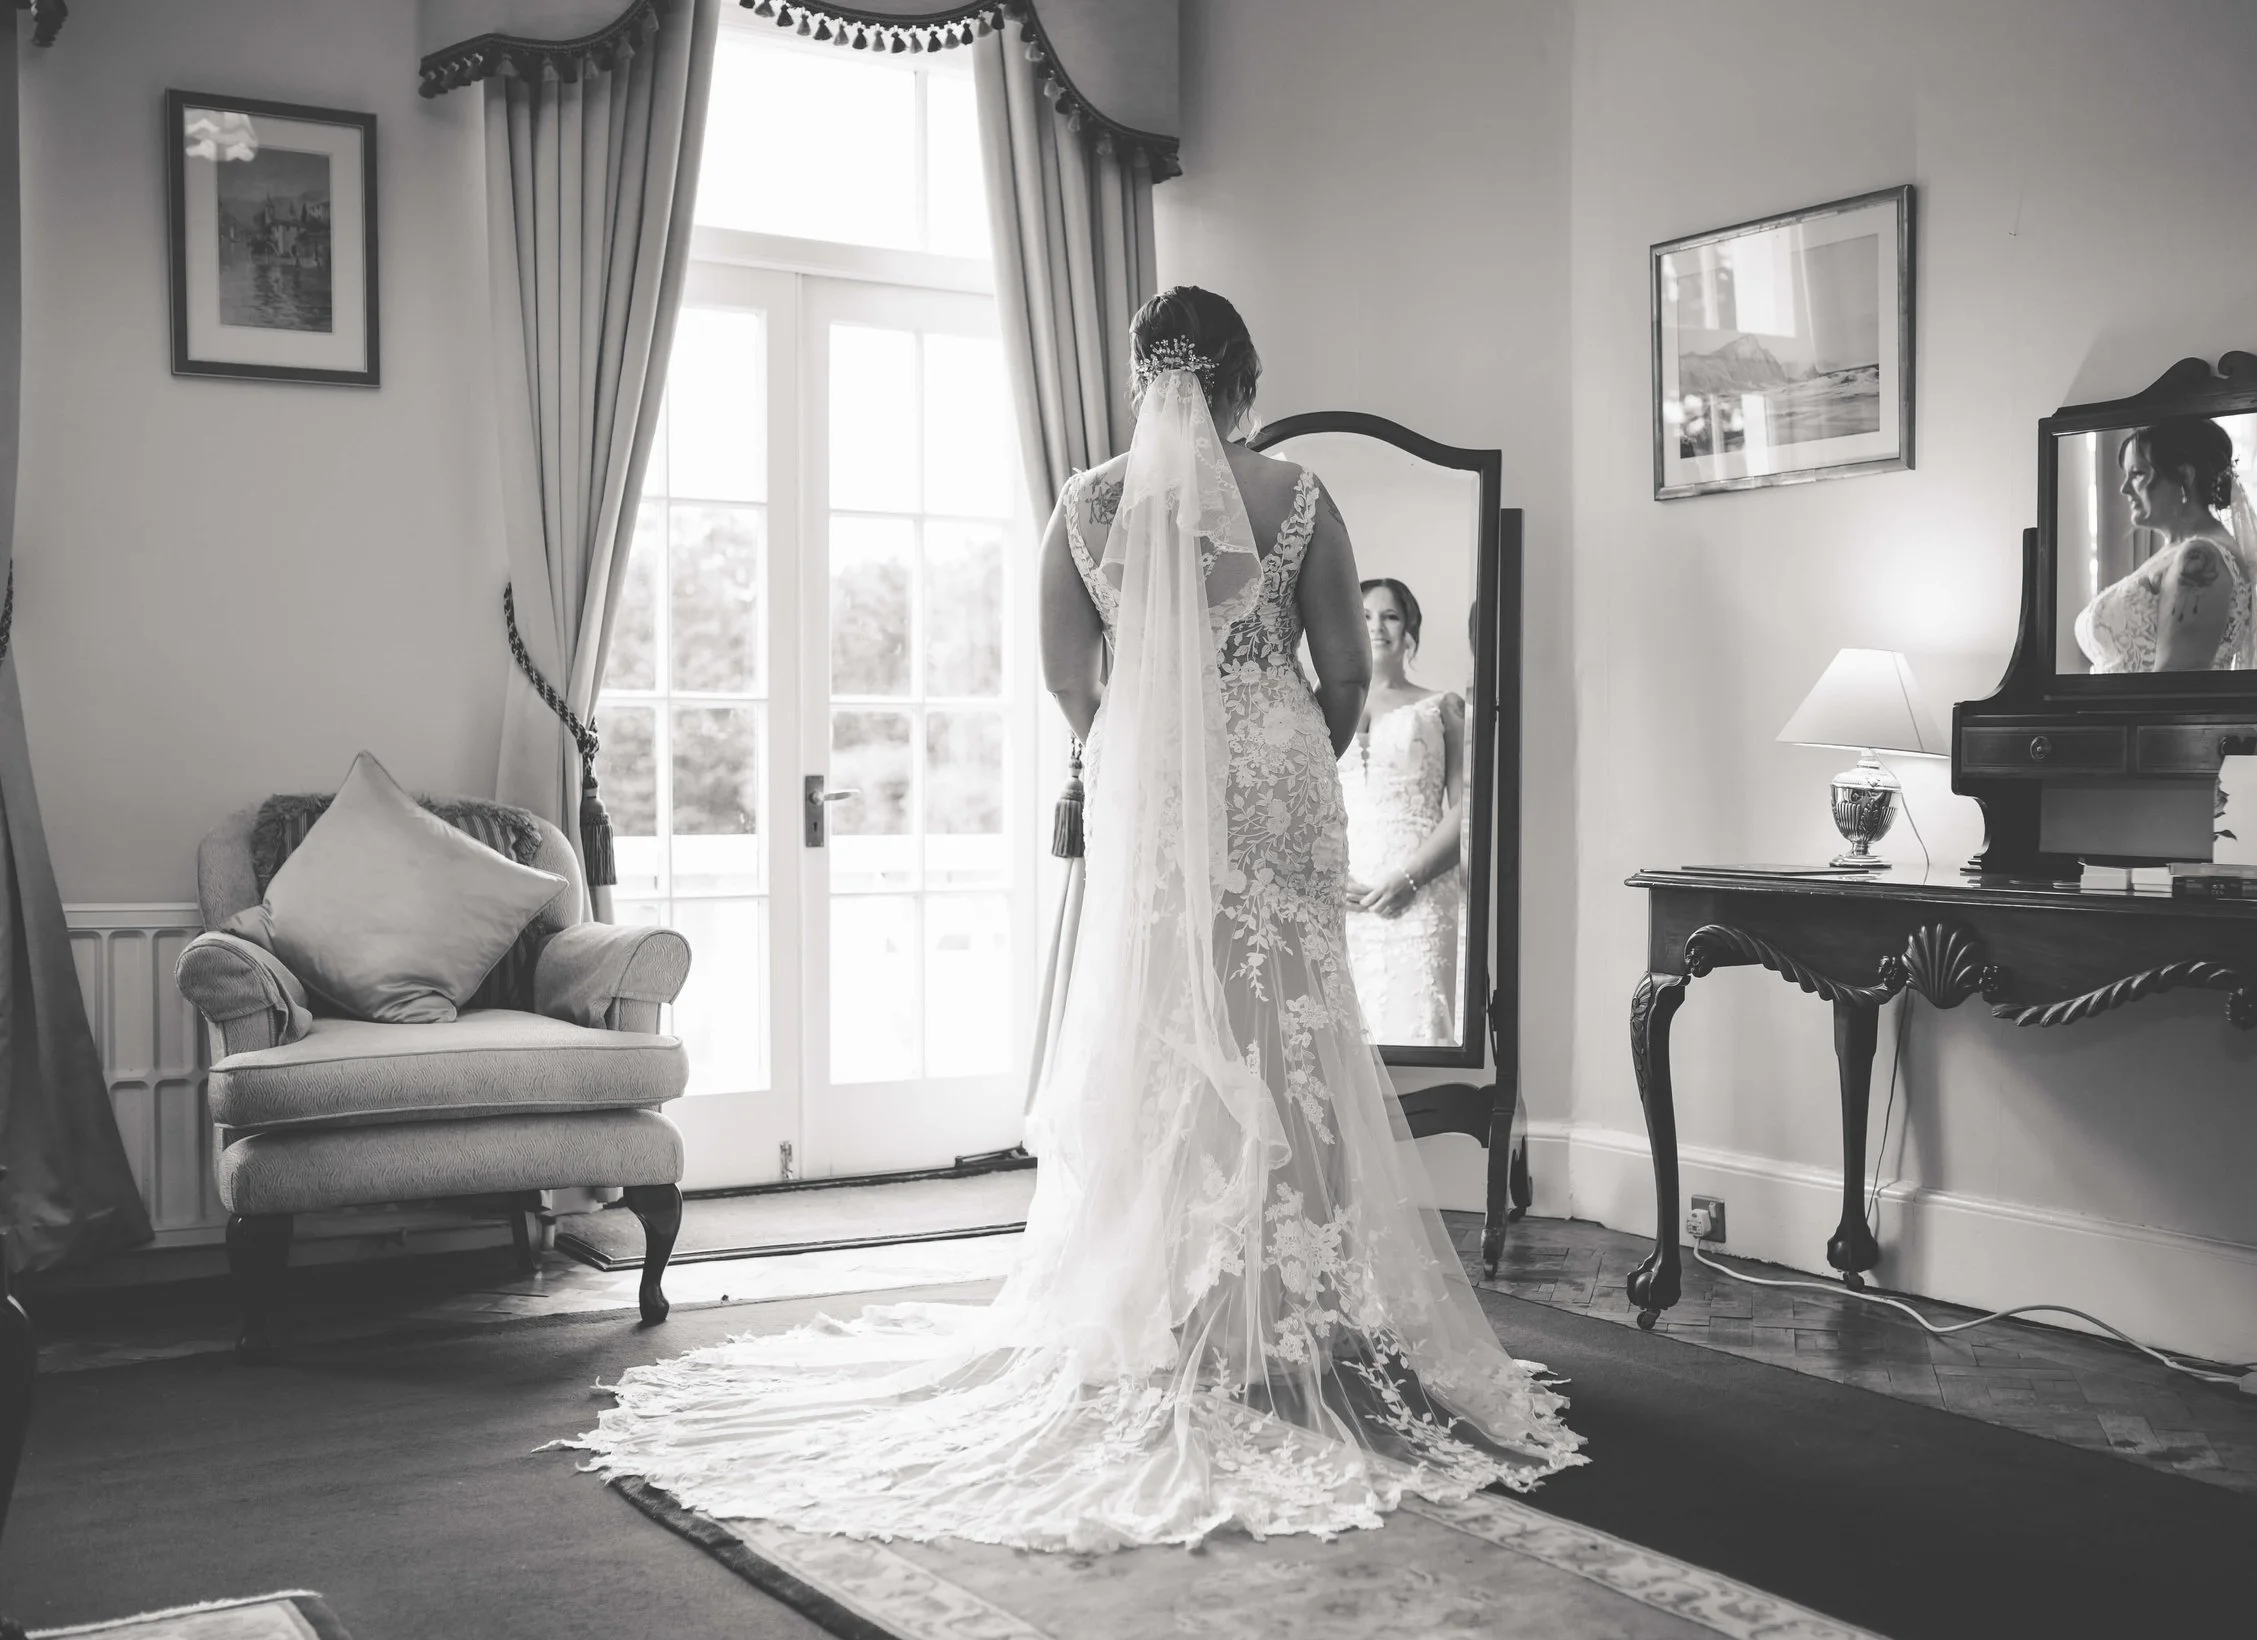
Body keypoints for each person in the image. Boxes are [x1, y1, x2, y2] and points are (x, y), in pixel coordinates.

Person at [564, 287, 1584, 1551]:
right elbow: (1339, 671)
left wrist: (1136, 751)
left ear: (1144, 376)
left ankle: (1165, 1292)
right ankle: (1283, 1307)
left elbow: (1064, 672)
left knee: (1161, 1017)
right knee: (1290, 1019)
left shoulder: (1091, 502)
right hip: (1272, 777)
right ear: (1243, 377)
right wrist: (1280, 752)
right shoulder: (1299, 492)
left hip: (1150, 786)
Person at [1340, 579, 1467, 1045]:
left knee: (1421, 1027)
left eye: (1390, 615)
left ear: (1409, 626)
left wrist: (1410, 877)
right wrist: (1327, 875)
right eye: (1366, 614)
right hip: (1343, 900)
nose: (1377, 626)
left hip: (1422, 895)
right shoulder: (1319, 707)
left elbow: (1468, 808)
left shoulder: (1442, 707)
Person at [2075, 415, 2257, 673]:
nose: (2125, 489)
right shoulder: (2175, 551)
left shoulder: (2201, 557)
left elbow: (2173, 686)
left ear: (2185, 476)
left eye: (2138, 473)